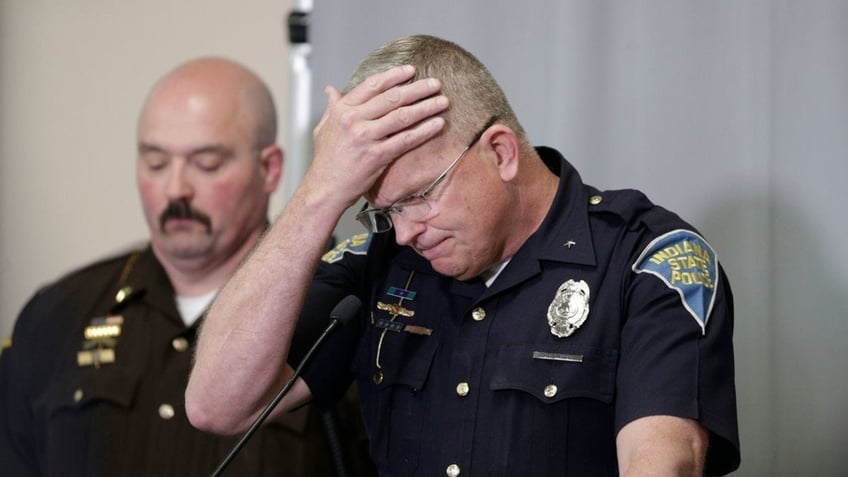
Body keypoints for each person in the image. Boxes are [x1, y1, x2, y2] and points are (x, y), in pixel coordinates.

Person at [187, 35, 740, 476]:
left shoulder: (647, 261)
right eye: (383, 211)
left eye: (419, 198)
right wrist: (318, 193)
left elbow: (661, 463)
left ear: (499, 152)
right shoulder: (377, 263)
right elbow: (218, 405)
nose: (403, 233)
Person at [0, 57, 374, 476]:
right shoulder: (58, 314)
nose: (176, 188)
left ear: (269, 169)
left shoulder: (340, 313)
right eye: (156, 163)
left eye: (206, 163)